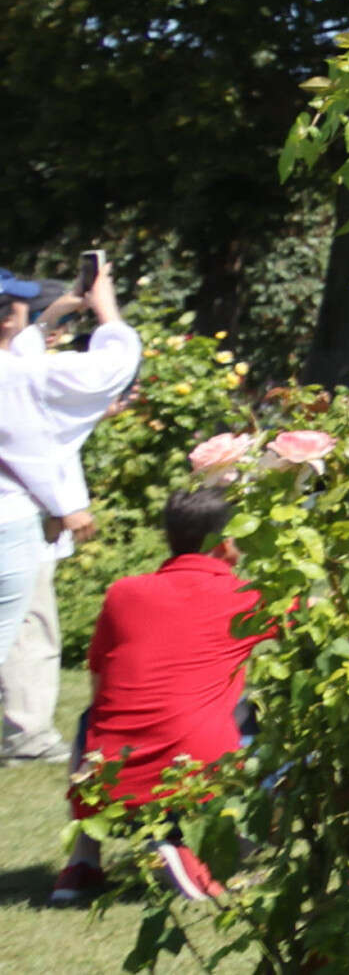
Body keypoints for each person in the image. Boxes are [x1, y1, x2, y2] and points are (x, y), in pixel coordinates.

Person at [50, 483, 272, 904]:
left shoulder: (124, 593)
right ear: (227, 543)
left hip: (108, 772)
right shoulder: (243, 597)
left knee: (88, 719)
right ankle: (209, 846)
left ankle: (83, 862)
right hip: (195, 764)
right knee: (254, 714)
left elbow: (100, 688)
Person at [0, 256, 139, 764]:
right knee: (30, 625)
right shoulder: (19, 376)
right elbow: (111, 367)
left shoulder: (18, 367)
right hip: (11, 520)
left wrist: (46, 319)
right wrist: (106, 311)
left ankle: (27, 730)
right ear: (5, 319)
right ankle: (28, 733)